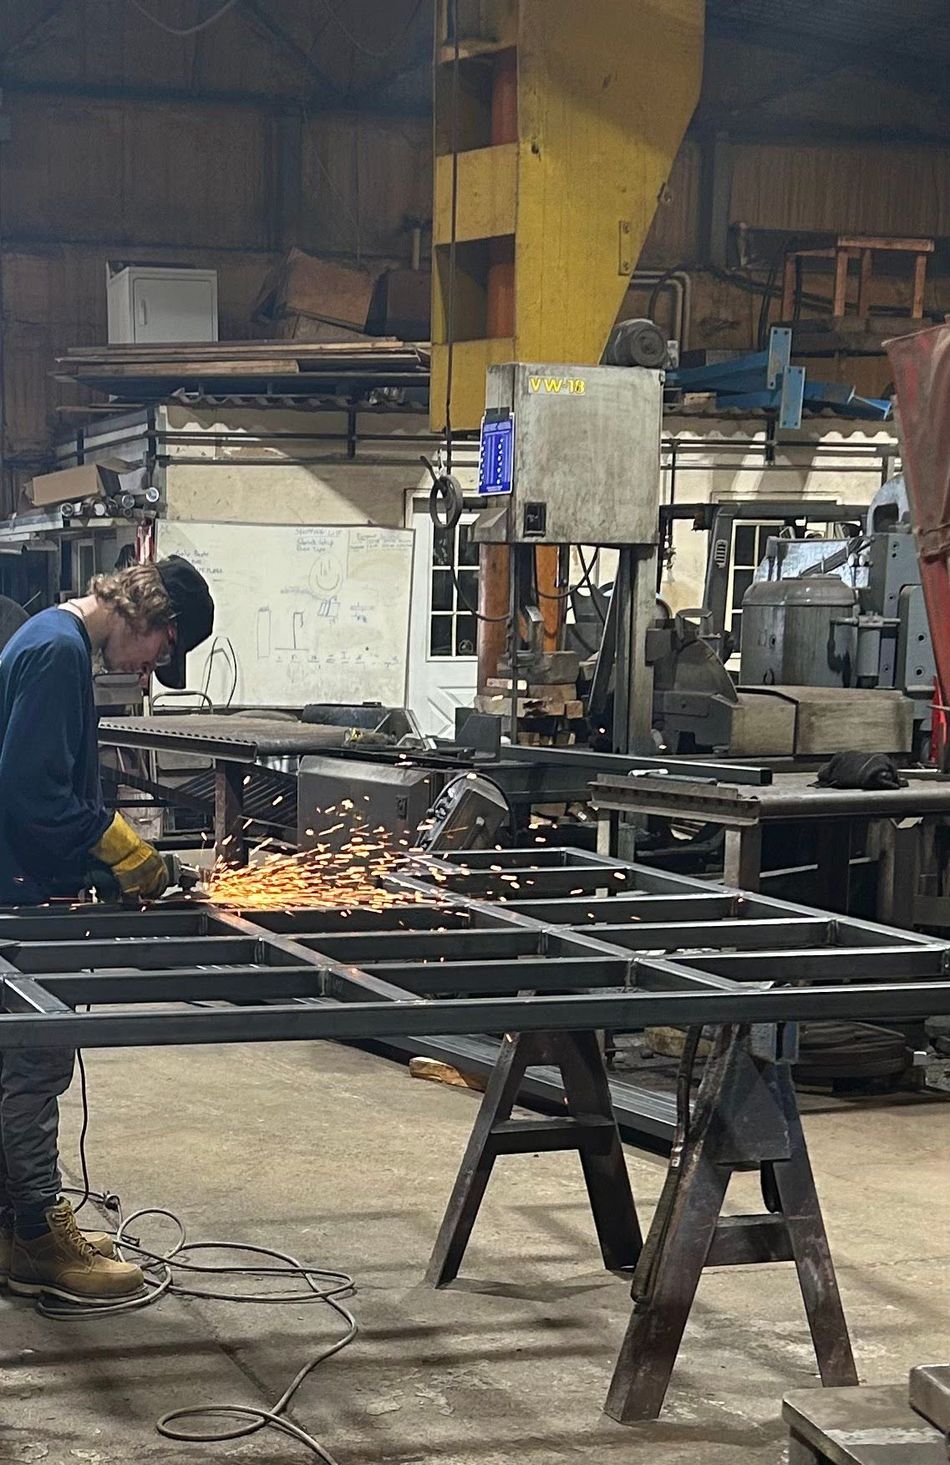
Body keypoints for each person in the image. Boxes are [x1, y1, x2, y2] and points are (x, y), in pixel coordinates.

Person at [0, 555, 213, 1305]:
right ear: (151, 614)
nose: (150, 670)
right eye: (159, 653)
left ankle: (12, 1226)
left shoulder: (49, 638)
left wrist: (113, 860)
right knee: (35, 1066)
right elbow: (34, 796)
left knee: (16, 1064)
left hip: (22, 885)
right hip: (26, 895)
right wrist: (126, 852)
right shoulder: (58, 652)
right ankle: (36, 1232)